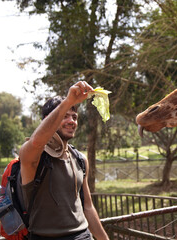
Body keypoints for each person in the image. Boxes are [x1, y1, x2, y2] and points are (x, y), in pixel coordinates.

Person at [19, 81, 109, 240]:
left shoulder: (80, 159)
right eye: (65, 116)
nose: (71, 121)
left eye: (74, 117)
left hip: (83, 236)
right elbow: (36, 142)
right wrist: (69, 101)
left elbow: (87, 207)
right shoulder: (32, 155)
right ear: (48, 119)